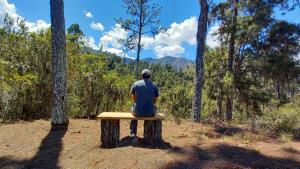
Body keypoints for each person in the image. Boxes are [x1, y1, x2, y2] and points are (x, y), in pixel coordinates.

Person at [130, 69, 159, 138]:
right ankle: (147, 134)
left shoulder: (136, 84)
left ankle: (133, 134)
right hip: (150, 112)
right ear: (150, 76)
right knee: (152, 109)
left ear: (142, 76)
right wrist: (152, 103)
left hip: (137, 112)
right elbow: (156, 98)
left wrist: (135, 103)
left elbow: (132, 97)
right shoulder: (154, 85)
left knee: (133, 110)